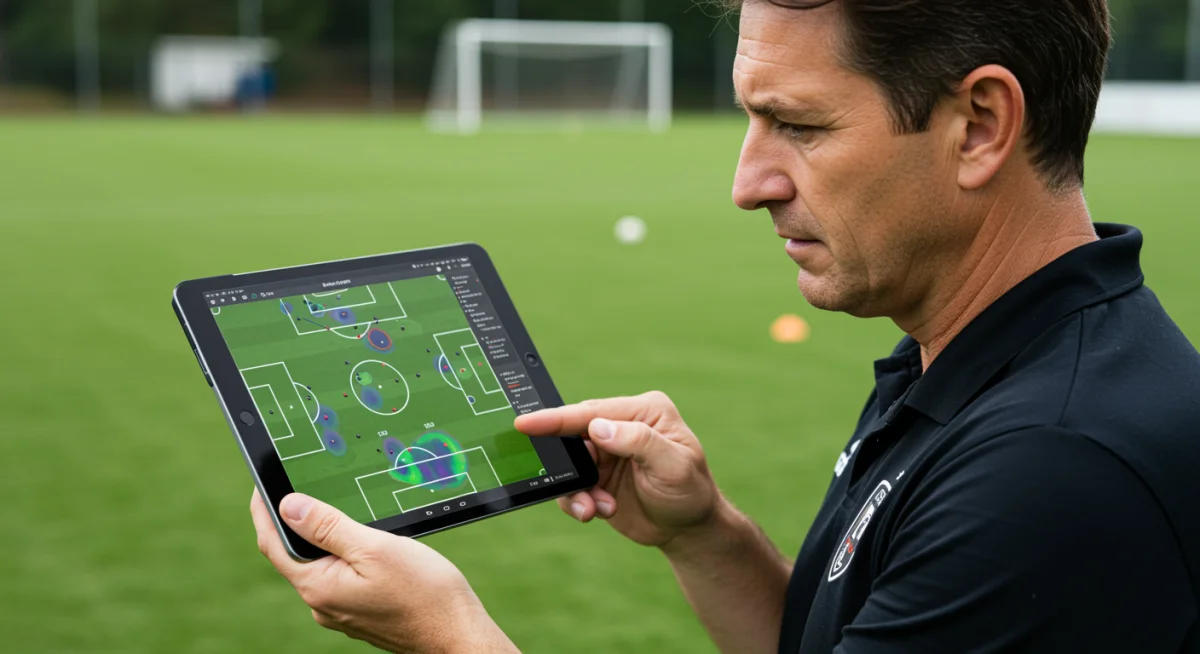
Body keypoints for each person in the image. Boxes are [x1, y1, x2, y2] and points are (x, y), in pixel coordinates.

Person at [250, 0, 1200, 651]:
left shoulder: (1052, 467)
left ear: (981, 124)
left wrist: (451, 635)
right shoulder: (980, 358)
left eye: (801, 126)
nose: (749, 186)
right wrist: (705, 536)